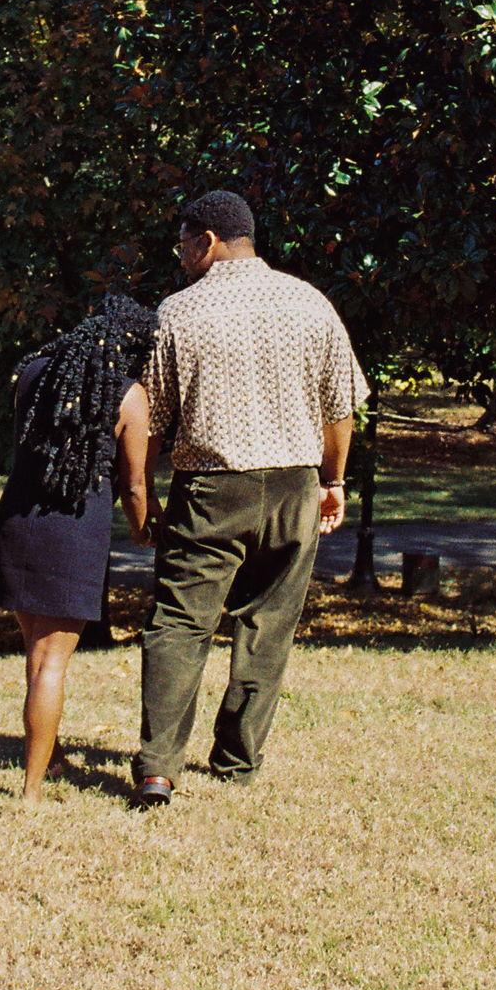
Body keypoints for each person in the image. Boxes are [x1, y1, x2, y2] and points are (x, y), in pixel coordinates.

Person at [135, 191, 368, 805]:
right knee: (269, 622)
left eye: (183, 240)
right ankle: (238, 759)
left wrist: (146, 493)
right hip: (294, 482)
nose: (179, 253)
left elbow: (154, 419)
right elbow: (339, 410)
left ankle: (159, 767)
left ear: (206, 240)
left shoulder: (178, 314)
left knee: (181, 624)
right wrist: (332, 480)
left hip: (212, 487)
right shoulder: (309, 303)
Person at [0, 295, 158, 801]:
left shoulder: (33, 374)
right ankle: (31, 790)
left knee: (35, 653)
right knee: (52, 662)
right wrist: (144, 528)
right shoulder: (128, 397)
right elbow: (134, 487)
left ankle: (52, 756)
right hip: (73, 530)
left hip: (18, 519)